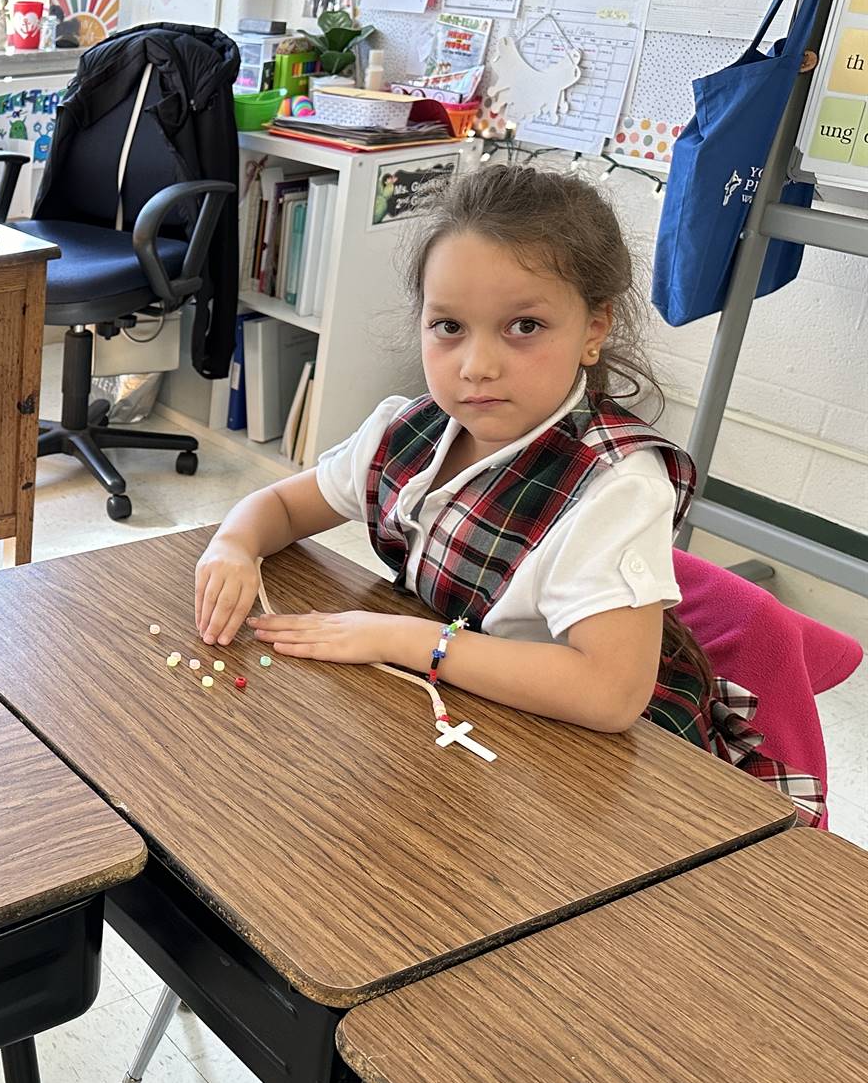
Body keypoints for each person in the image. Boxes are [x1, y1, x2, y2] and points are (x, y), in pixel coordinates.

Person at [193, 165, 825, 824]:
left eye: (523, 327)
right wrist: (235, 545)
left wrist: (406, 639)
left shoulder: (617, 488)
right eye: (449, 327)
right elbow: (287, 506)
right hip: (477, 718)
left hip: (609, 772)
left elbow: (609, 695)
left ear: (593, 329)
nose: (476, 366)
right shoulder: (406, 429)